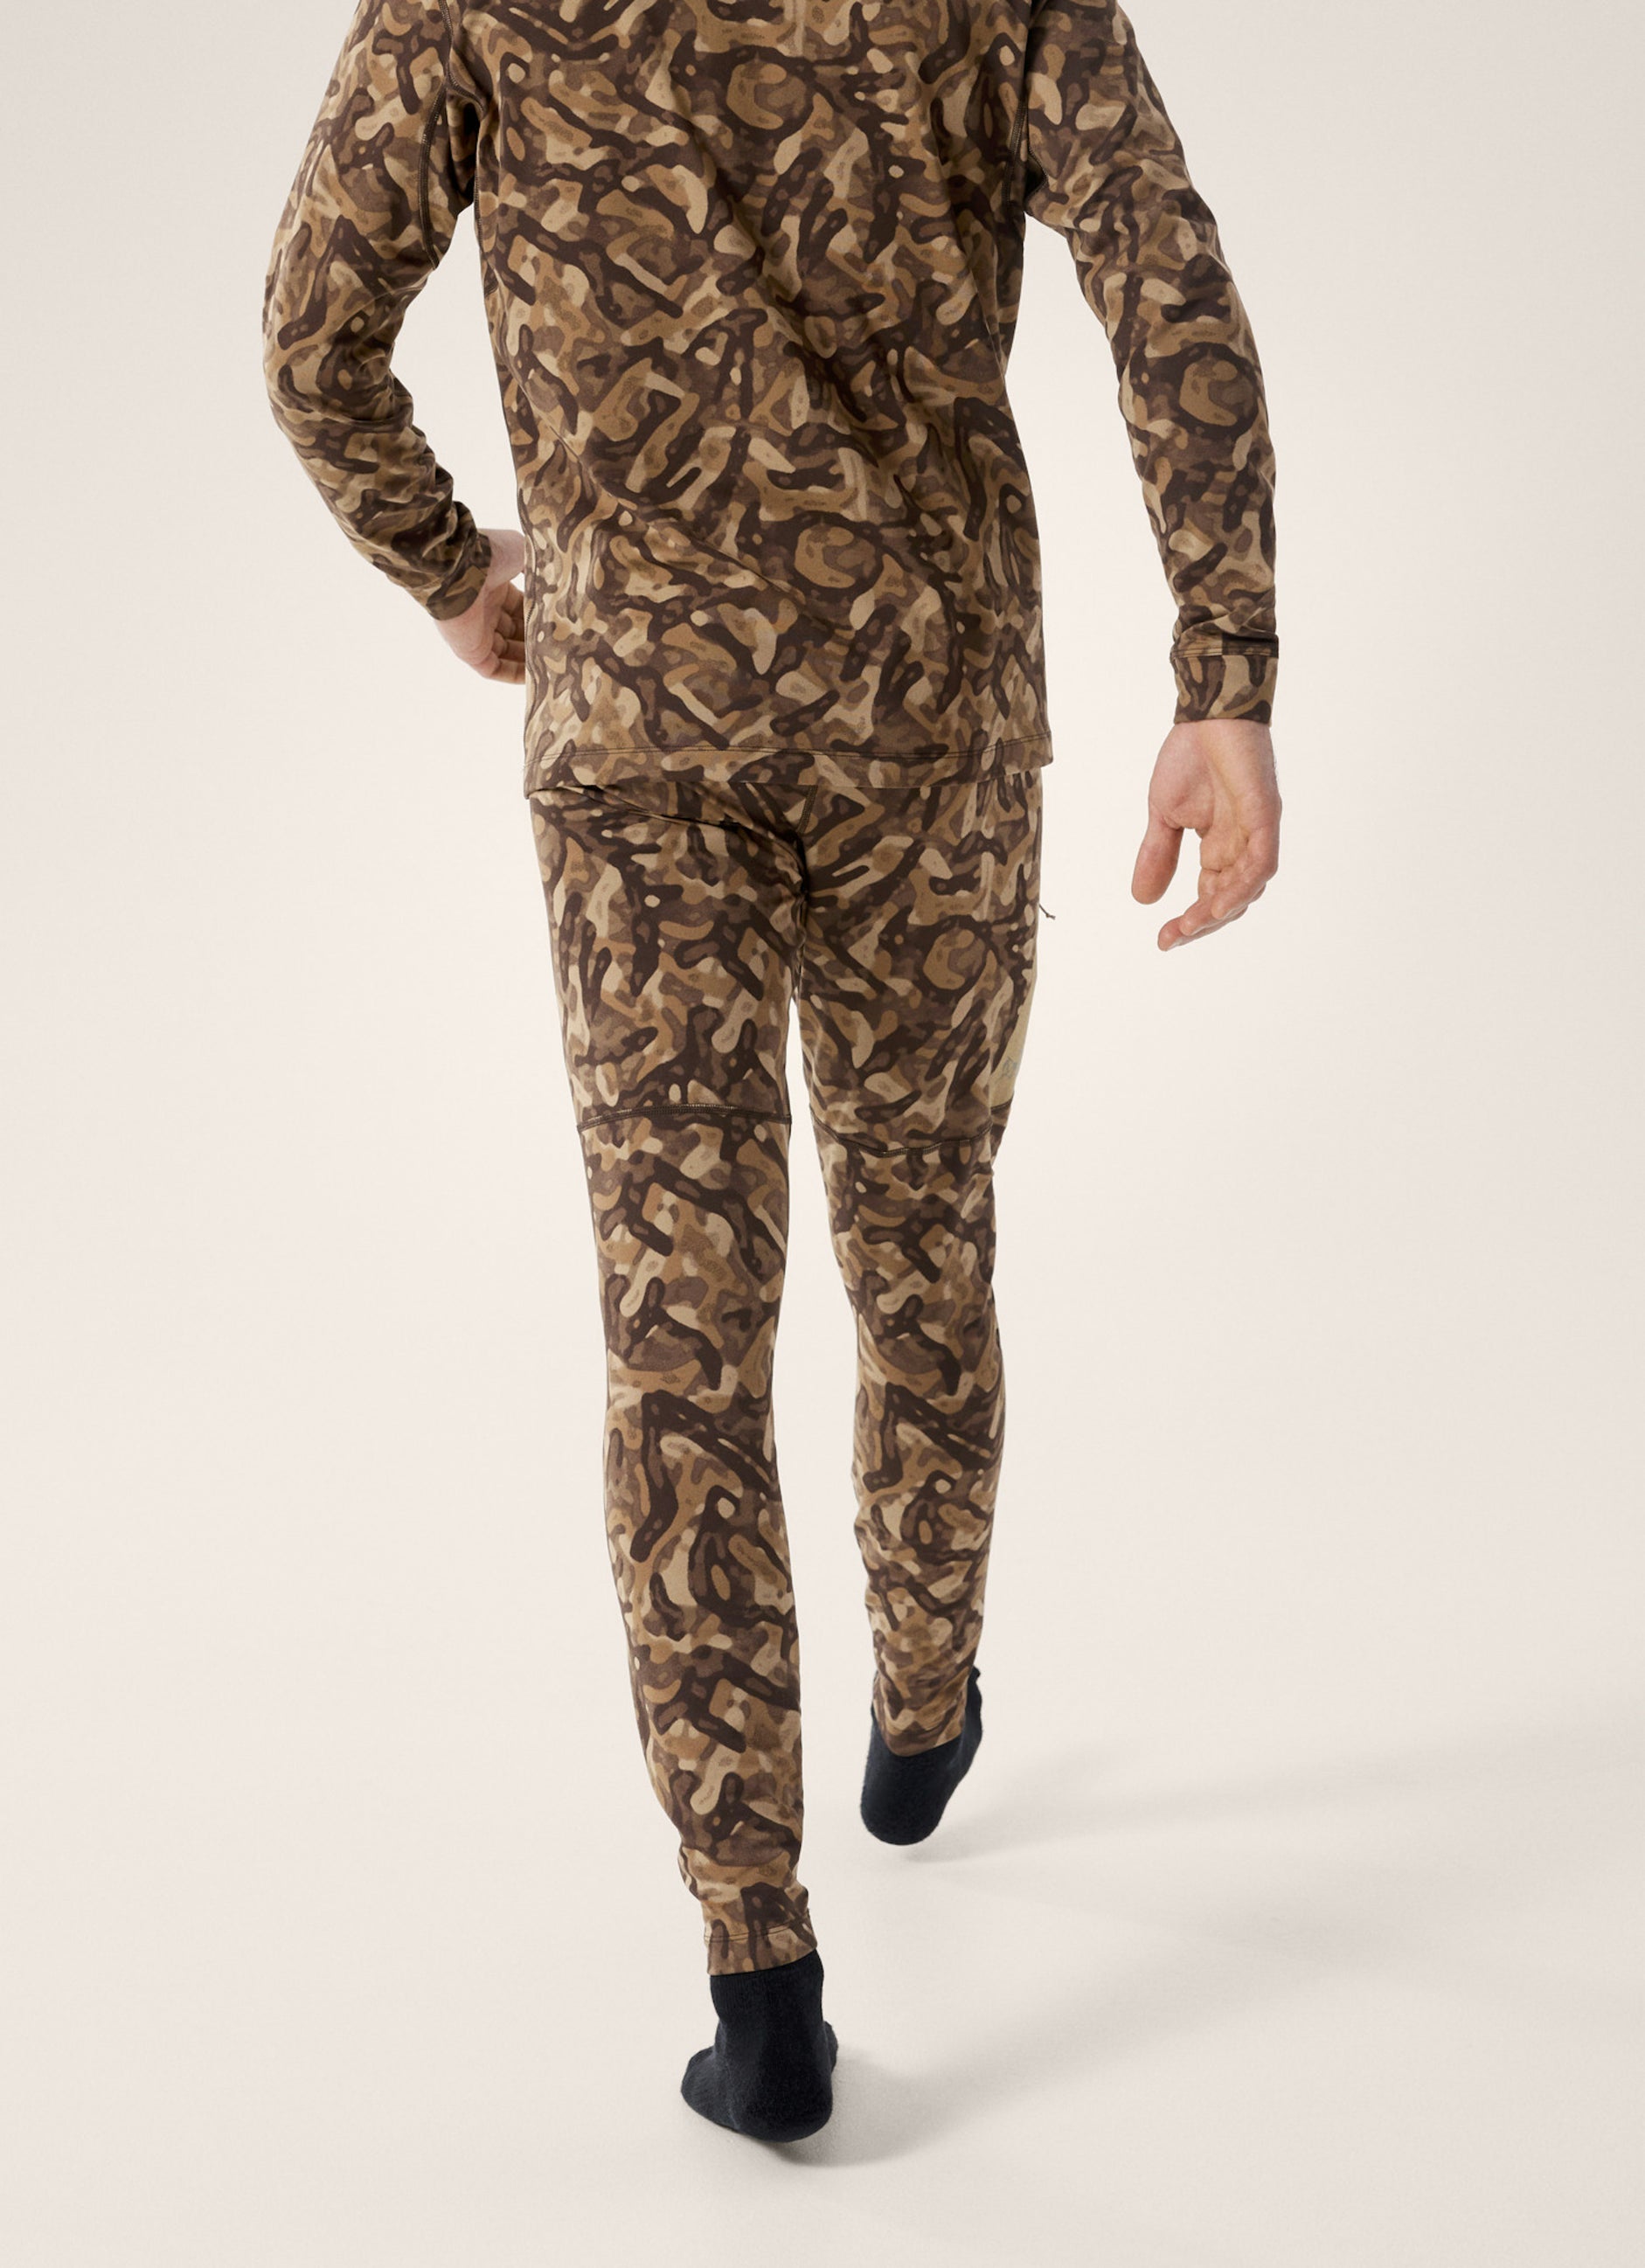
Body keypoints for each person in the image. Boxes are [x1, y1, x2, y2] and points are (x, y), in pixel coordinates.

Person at [262, 0, 1280, 2142]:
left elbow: (309, 337)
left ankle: (762, 1978)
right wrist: (1225, 672)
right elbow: (1158, 268)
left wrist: (451, 568)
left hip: (638, 745)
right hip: (932, 720)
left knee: (682, 1345)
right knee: (922, 1245)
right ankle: (923, 1700)